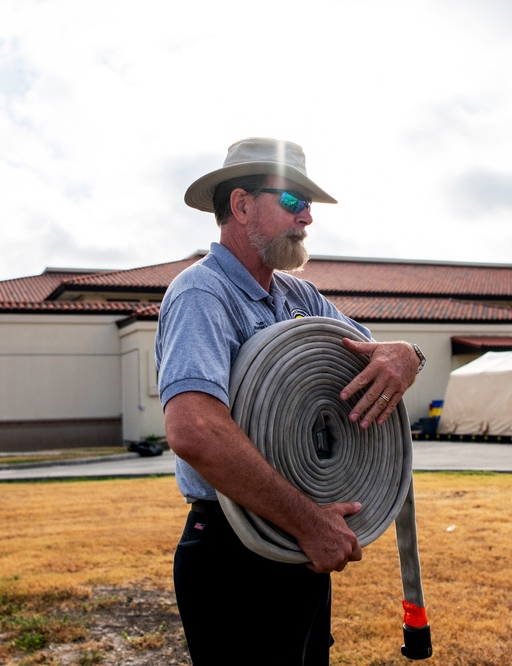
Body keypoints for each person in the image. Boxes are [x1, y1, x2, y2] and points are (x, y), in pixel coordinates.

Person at [155, 137, 424, 665]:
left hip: (298, 544)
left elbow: (373, 359)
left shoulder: (299, 297)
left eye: (310, 207)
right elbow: (193, 429)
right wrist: (308, 523)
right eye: (294, 203)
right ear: (241, 205)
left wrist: (409, 354)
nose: (307, 220)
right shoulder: (201, 295)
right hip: (234, 553)